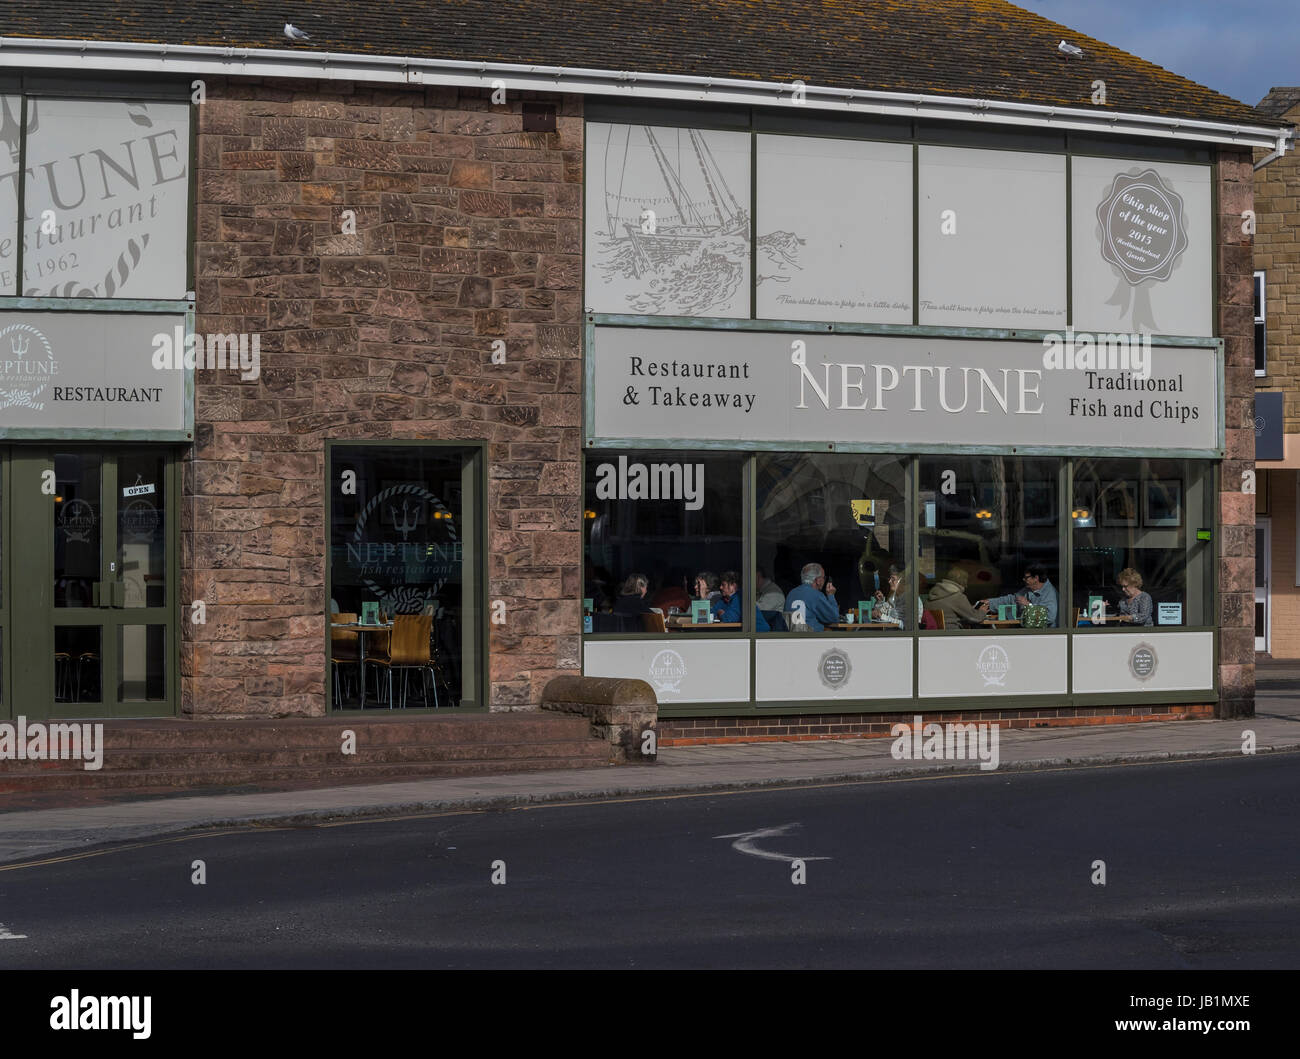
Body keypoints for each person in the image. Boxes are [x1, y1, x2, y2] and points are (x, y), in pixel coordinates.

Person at [977, 563, 1059, 627]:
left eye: (1026, 577)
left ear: (1036, 578)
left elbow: (1050, 617)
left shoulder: (1050, 593)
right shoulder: (1028, 589)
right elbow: (1011, 600)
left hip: (1045, 635)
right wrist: (989, 602)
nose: (1023, 579)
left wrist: (1028, 605)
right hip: (1026, 630)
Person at [784, 562, 841, 631]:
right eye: (824, 578)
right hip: (810, 637)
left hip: (792, 637)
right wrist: (831, 595)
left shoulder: (791, 593)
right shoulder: (815, 594)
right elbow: (834, 618)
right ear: (818, 581)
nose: (824, 580)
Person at [873, 564, 910, 629]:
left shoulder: (911, 600)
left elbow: (906, 626)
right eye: (890, 578)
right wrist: (880, 601)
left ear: (902, 581)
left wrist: (882, 617)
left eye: (893, 579)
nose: (889, 581)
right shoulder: (893, 597)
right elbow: (880, 612)